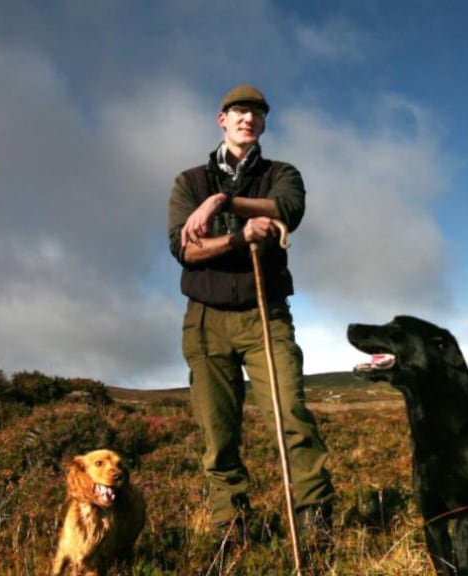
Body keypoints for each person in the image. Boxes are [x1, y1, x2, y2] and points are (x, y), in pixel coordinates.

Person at [167, 84, 336, 551]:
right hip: (206, 322)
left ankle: (315, 522)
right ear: (221, 119)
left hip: (267, 315)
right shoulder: (189, 182)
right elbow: (184, 249)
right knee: (218, 430)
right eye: (239, 111)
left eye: (257, 114)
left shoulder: (281, 173)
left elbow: (287, 210)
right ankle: (232, 526)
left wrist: (222, 203)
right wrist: (239, 237)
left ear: (263, 124)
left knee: (290, 415)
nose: (248, 119)